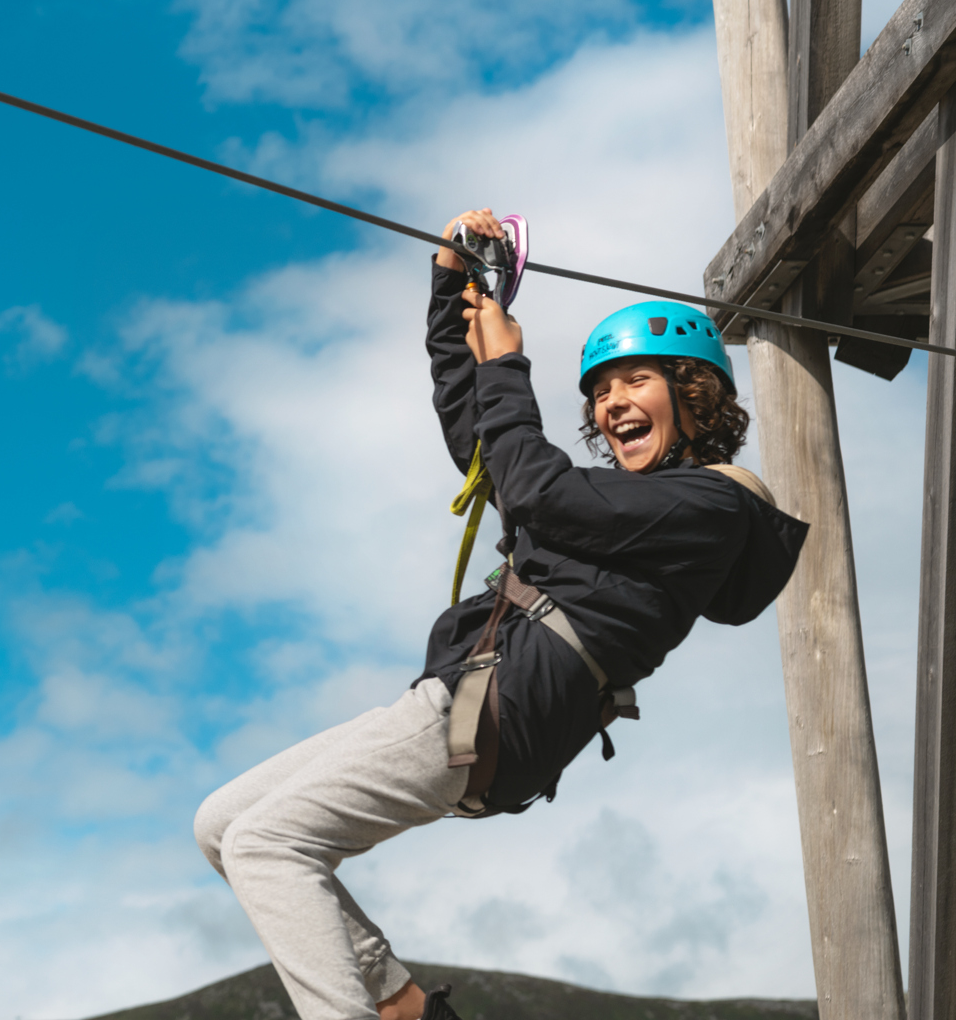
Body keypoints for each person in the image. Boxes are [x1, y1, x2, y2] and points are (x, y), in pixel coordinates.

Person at [191, 208, 809, 1020]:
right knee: (223, 824)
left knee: (270, 845)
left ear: (695, 394)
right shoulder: (613, 505)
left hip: (493, 707)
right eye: (601, 392)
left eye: (636, 381)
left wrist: (510, 365)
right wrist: (454, 295)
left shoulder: (710, 507)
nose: (611, 403)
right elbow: (487, 443)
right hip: (473, 696)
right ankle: (402, 1005)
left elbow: (533, 486)